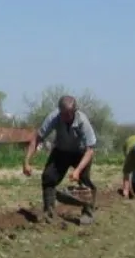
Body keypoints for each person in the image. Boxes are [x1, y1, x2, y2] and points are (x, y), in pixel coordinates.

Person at [22, 95, 98, 225]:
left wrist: (78, 171)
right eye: (63, 114)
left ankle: (88, 213)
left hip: (81, 153)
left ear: (74, 111)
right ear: (59, 111)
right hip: (61, 151)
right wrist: (26, 161)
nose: (66, 118)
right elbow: (37, 138)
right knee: (48, 178)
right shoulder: (54, 117)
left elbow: (90, 149)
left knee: (85, 183)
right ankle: (49, 213)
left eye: (69, 114)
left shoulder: (82, 121)